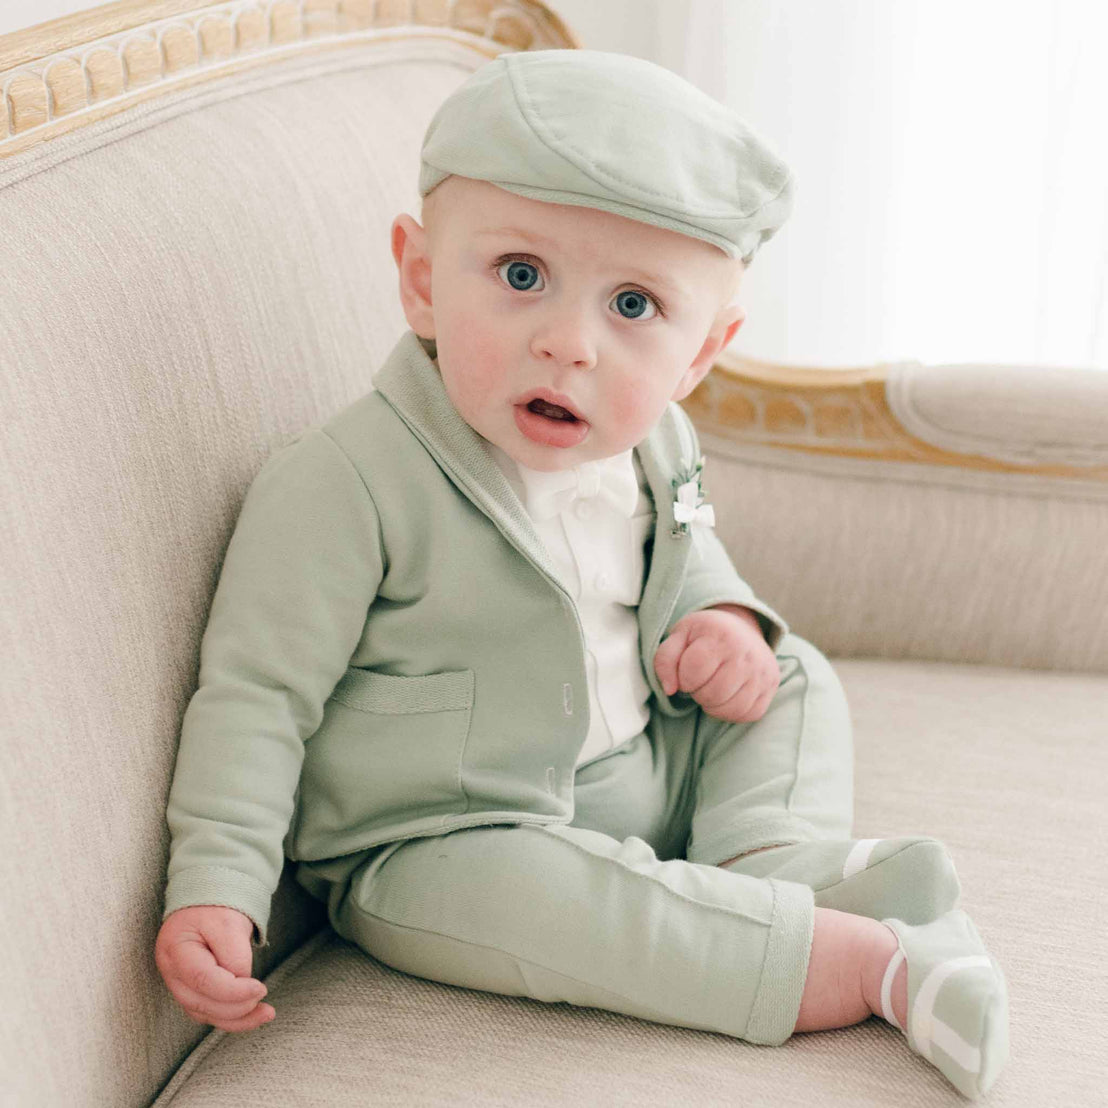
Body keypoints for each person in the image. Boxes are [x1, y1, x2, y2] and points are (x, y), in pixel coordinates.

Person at [154, 49, 1008, 1099]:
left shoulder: (663, 445)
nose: (569, 345)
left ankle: (762, 857)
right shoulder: (342, 484)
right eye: (520, 276)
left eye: (636, 307)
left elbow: (693, 555)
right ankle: (871, 964)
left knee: (790, 672)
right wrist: (217, 886)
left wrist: (721, 622)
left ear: (701, 354)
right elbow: (255, 699)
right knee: (551, 907)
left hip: (642, 757)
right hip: (445, 837)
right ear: (421, 278)